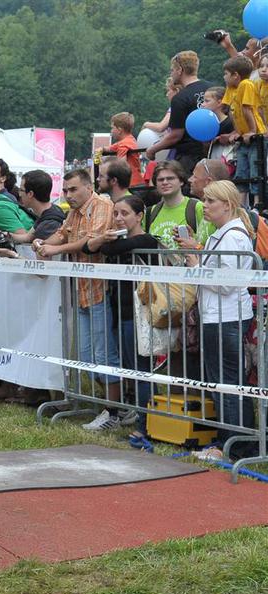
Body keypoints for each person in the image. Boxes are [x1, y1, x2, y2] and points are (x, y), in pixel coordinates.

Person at [36, 170, 121, 430]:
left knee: (104, 355)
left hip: (101, 291)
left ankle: (115, 410)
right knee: (86, 357)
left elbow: (90, 242)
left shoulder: (102, 205)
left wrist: (54, 249)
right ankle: (107, 405)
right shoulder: (74, 212)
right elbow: (62, 233)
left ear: (88, 187)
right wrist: (42, 244)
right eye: (65, 190)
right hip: (81, 292)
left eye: (73, 189)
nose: (68, 195)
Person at [183, 181, 256, 462]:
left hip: (226, 317)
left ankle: (233, 447)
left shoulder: (233, 237)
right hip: (220, 315)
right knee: (226, 382)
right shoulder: (225, 234)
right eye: (205, 200)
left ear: (227, 204)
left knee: (227, 383)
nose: (205, 206)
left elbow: (227, 284)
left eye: (211, 201)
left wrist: (196, 268)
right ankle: (234, 442)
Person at [82, 196, 160, 445]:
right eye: (115, 213)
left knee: (141, 370)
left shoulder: (146, 240)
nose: (118, 218)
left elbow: (108, 248)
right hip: (119, 312)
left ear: (139, 216)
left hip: (139, 314)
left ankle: (147, 424)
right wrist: (104, 240)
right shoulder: (119, 240)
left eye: (124, 213)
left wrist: (105, 240)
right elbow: (90, 248)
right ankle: (135, 414)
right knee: (129, 368)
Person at [145, 51, 214, 172]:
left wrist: (153, 149)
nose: (171, 74)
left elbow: (175, 135)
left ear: (179, 70)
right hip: (215, 152)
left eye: (172, 70)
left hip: (190, 157)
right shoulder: (213, 88)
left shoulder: (180, 98)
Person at [222, 55, 267, 207]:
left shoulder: (246, 84)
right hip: (243, 137)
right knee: (241, 172)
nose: (224, 77)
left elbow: (247, 109)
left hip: (255, 136)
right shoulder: (231, 88)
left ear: (235, 75)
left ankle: (257, 203)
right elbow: (232, 111)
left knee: (256, 170)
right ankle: (241, 204)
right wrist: (237, 131)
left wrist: (252, 131)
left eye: (226, 74)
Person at [100, 113, 143, 187]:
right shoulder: (130, 139)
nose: (111, 131)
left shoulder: (123, 145)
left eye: (112, 128)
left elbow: (120, 166)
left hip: (132, 184)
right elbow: (110, 148)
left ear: (119, 130)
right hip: (138, 182)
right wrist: (101, 149)